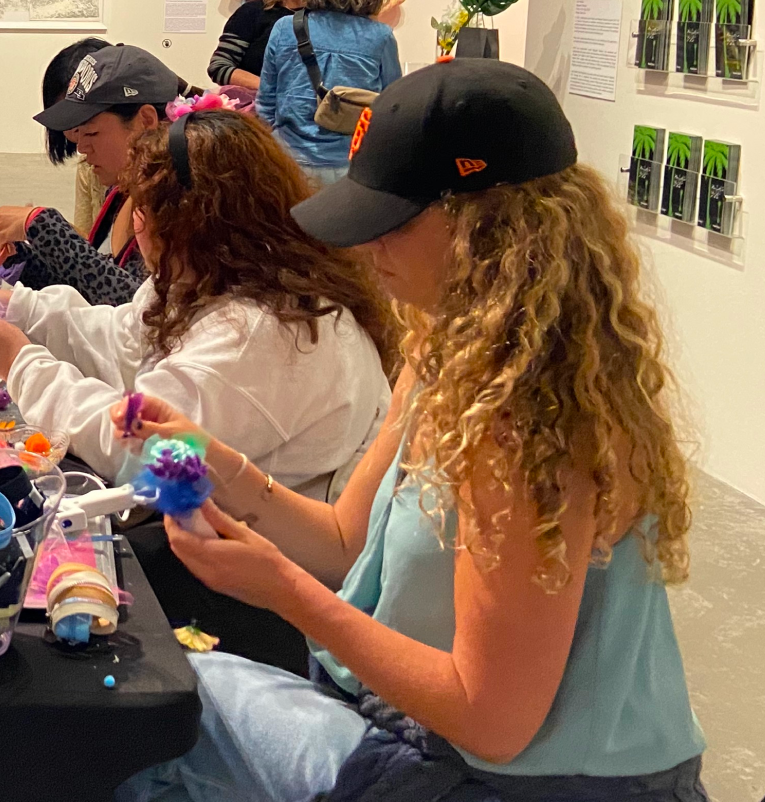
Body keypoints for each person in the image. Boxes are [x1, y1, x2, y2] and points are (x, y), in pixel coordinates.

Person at [118, 60, 707, 802]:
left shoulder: (528, 422)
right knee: (151, 703)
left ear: (490, 226)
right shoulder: (442, 356)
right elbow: (343, 543)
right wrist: (222, 465)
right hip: (426, 740)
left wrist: (286, 594)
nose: (366, 249)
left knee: (149, 720)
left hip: (521, 783)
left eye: (389, 225)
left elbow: (491, 719)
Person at [0, 108, 395, 672]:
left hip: (274, 601)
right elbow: (125, 336)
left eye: (143, 210)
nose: (137, 224)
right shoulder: (230, 276)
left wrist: (20, 362)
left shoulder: (259, 333)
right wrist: (21, 307)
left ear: (188, 222)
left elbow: (138, 447)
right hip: (241, 552)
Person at [0, 44, 193, 307]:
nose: (81, 147)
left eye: (91, 133)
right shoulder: (121, 192)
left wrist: (40, 224)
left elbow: (139, 311)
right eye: (78, 133)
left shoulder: (183, 202)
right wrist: (14, 255)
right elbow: (87, 291)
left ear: (146, 121)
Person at [257, 0, 401, 187]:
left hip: (288, 162)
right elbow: (392, 106)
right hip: (352, 167)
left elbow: (265, 103)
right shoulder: (381, 37)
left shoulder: (285, 28)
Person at [42, 36, 113, 236]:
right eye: (68, 121)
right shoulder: (89, 166)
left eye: (89, 128)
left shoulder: (154, 179)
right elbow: (91, 246)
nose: (82, 145)